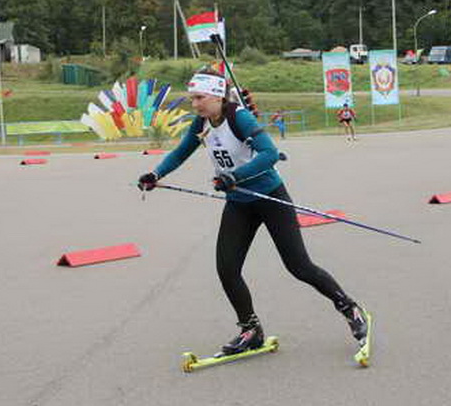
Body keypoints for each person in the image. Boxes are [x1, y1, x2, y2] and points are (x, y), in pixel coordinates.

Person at [137, 68, 369, 357]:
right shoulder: (202, 122)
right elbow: (181, 152)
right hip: (239, 203)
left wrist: (235, 176)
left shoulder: (239, 118)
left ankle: (350, 309)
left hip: (270, 197)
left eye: (199, 97)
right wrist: (156, 174)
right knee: (227, 269)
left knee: (299, 266)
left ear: (217, 95)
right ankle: (251, 330)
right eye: (192, 98)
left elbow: (270, 154)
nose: (194, 104)